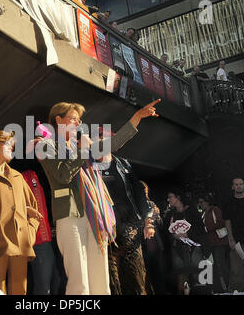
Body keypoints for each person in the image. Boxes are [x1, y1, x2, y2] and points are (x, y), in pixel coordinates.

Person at [36, 99, 160, 295]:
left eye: (79, 120)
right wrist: (83, 150)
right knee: (80, 280)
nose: (78, 124)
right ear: (58, 120)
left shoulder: (82, 144)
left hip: (95, 215)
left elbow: (116, 141)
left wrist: (137, 117)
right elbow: (63, 175)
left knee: (101, 278)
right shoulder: (45, 145)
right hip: (70, 215)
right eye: (73, 119)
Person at [0, 130, 41, 295]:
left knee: (20, 291)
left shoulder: (17, 176)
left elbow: (34, 209)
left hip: (21, 243)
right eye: (7, 144)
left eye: (12, 145)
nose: (12, 148)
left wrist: (30, 231)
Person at [94, 129, 155, 295]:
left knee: (136, 277)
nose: (103, 142)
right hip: (105, 230)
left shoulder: (124, 164)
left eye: (106, 138)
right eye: (99, 138)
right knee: (112, 281)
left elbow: (140, 194)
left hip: (129, 228)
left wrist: (148, 222)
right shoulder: (88, 166)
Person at [164, 192, 209, 294]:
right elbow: (166, 232)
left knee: (197, 274)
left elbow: (201, 229)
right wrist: (174, 235)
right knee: (181, 275)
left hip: (193, 247)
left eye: (170, 197)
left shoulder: (191, 211)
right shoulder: (170, 214)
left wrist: (188, 234)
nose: (168, 199)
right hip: (177, 249)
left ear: (178, 197)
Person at [223, 178, 244, 292]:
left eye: (241, 184)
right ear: (233, 187)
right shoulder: (228, 203)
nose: (239, 186)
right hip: (238, 243)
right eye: (236, 184)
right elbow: (227, 221)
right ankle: (236, 293)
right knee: (236, 272)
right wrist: (230, 239)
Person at [197, 194, 229, 293]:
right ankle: (219, 288)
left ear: (207, 201)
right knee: (214, 266)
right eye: (199, 202)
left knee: (221, 265)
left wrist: (207, 228)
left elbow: (221, 222)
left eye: (202, 202)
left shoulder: (215, 210)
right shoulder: (203, 213)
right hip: (210, 244)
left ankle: (229, 287)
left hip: (218, 242)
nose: (201, 204)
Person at [141, 181, 166, 295]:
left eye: (145, 190)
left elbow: (161, 225)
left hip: (156, 246)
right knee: (146, 275)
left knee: (159, 274)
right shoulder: (136, 205)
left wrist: (156, 217)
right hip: (143, 247)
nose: (144, 192)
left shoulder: (151, 204)